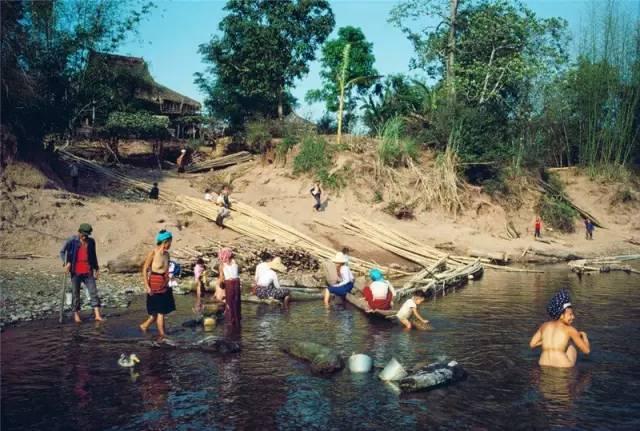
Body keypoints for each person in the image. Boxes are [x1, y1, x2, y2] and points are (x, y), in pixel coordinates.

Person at [529, 289, 590, 368]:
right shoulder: (570, 329)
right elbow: (587, 351)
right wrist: (584, 336)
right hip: (563, 365)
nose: (573, 317)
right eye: (570, 314)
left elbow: (532, 344)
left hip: (543, 363)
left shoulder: (544, 326)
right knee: (571, 342)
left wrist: (544, 340)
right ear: (561, 315)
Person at [60, 223, 104, 323]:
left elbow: (93, 256)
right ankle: (76, 315)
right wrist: (66, 263)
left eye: (86, 235)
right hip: (76, 271)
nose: (84, 237)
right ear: (79, 232)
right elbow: (62, 252)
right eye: (83, 234)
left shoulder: (91, 242)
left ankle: (97, 315)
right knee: (76, 294)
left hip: (88, 271)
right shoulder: (72, 241)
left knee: (93, 292)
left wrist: (96, 269)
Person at [140, 230, 176, 338]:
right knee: (161, 312)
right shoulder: (153, 253)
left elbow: (166, 270)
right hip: (154, 284)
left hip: (164, 284)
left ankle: (144, 326)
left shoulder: (167, 254)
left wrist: (170, 279)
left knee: (155, 314)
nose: (171, 244)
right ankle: (162, 334)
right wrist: (147, 286)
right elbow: (145, 269)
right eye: (170, 241)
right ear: (165, 241)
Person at [218, 247, 241, 326]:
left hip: (229, 283)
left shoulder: (222, 265)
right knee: (236, 302)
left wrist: (221, 286)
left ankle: (231, 321)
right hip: (236, 282)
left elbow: (221, 279)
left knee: (230, 303)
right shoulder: (236, 262)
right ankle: (237, 319)